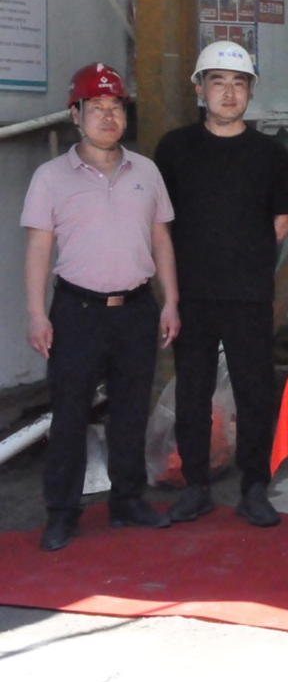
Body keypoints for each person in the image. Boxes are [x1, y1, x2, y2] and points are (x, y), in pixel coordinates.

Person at [22, 63, 180, 551]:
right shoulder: (50, 178)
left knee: (130, 410)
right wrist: (36, 313)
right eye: (96, 108)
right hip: (78, 311)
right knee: (69, 412)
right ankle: (62, 512)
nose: (108, 117)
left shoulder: (146, 172)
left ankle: (128, 501)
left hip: (136, 308)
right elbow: (38, 249)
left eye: (116, 107)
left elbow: (161, 239)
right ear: (76, 115)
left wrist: (171, 301)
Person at [154, 42, 288, 528]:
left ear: (251, 91)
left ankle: (255, 487)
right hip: (192, 294)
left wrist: (243, 256)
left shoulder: (270, 154)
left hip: (248, 294)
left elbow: (282, 220)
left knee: (255, 391)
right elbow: (161, 222)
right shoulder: (175, 149)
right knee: (192, 393)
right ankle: (196, 487)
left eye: (239, 83)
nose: (229, 93)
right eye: (218, 82)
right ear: (200, 89)